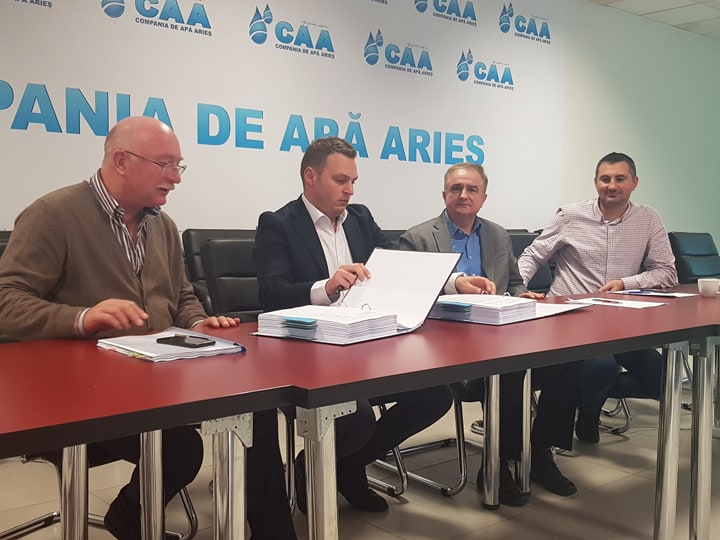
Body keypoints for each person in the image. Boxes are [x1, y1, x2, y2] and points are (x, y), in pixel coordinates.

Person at [0, 117, 294, 540]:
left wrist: (198, 321)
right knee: (181, 447)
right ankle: (130, 515)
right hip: (83, 390)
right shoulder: (53, 215)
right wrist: (81, 318)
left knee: (255, 406)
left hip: (160, 377)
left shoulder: (163, 226)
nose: (176, 178)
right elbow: (7, 299)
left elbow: (181, 295)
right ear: (122, 161)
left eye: (179, 166)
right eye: (165, 165)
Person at [253, 136, 454, 514]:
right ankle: (332, 467)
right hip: (310, 354)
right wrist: (325, 287)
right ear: (310, 177)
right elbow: (271, 293)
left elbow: (398, 265)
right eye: (341, 180)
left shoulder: (360, 218)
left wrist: (453, 282)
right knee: (356, 416)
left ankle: (346, 464)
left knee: (436, 395)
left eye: (353, 181)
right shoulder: (278, 224)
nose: (349, 190)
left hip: (366, 346)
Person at [398, 162, 581, 506]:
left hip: (497, 334)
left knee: (568, 360)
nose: (463, 195)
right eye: (456, 188)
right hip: (444, 344)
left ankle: (540, 452)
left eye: (472, 189)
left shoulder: (497, 235)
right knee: (510, 368)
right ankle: (497, 463)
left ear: (483, 198)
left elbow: (513, 281)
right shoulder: (417, 238)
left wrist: (522, 295)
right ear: (444, 194)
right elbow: (407, 295)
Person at [518, 151, 677, 444]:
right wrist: (516, 289)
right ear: (596, 182)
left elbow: (667, 272)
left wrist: (627, 283)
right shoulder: (570, 215)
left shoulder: (648, 218)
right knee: (600, 367)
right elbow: (533, 255)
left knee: (665, 376)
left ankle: (588, 402)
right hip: (570, 319)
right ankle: (588, 414)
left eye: (620, 179)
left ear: (634, 182)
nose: (611, 185)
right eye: (605, 179)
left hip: (620, 323)